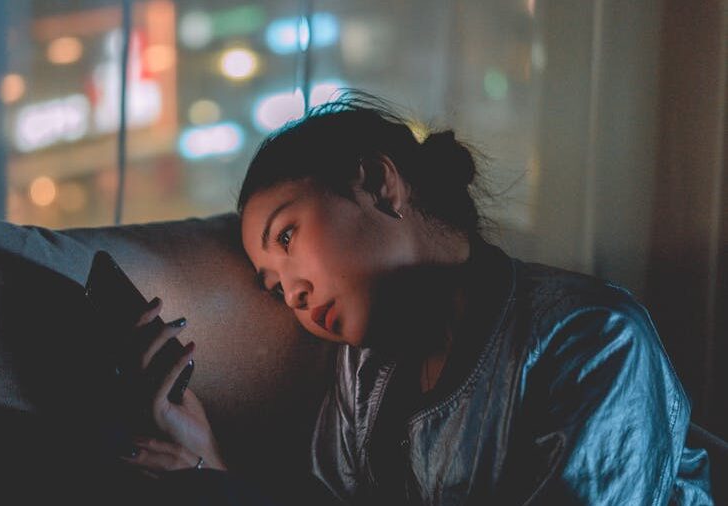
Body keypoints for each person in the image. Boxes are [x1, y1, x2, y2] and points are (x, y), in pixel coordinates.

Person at [120, 92, 713, 504]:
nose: (294, 294)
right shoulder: (363, 374)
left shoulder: (592, 337)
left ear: (380, 183)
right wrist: (209, 464)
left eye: (288, 236)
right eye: (274, 287)